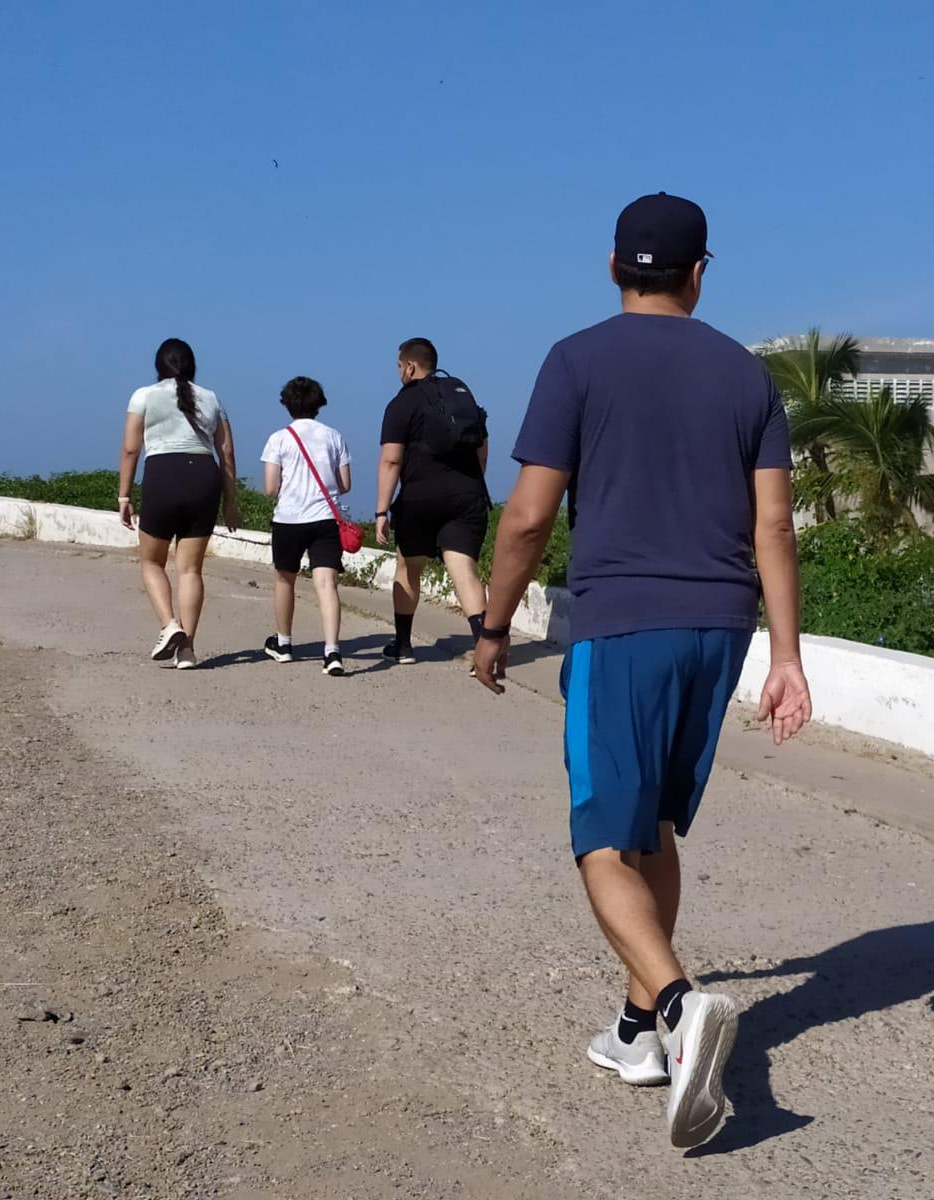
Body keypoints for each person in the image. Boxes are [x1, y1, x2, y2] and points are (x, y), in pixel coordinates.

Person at [471, 193, 813, 1149]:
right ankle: (636, 1034)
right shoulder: (746, 373)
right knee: (653, 827)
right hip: (721, 626)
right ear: (702, 270)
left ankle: (677, 1002)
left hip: (621, 625)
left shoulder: (576, 360)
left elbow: (529, 517)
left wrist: (492, 625)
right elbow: (774, 528)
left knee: (599, 839)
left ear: (613, 265)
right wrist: (786, 656)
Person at [118, 338, 240, 670]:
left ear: (159, 366)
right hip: (204, 477)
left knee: (152, 563)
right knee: (190, 569)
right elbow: (226, 453)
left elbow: (131, 449)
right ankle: (187, 651)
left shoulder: (143, 396)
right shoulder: (212, 398)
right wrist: (231, 503)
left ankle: (169, 625)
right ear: (192, 366)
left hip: (163, 474)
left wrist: (124, 496)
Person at [373, 338, 490, 665]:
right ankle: (483, 648)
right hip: (467, 495)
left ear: (410, 367)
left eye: (399, 366)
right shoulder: (461, 395)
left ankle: (403, 645)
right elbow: (481, 448)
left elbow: (391, 461)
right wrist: (471, 483)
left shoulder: (401, 404)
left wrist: (381, 510)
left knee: (408, 568)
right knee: (464, 569)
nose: (399, 372)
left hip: (420, 499)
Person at [259, 376, 353, 676]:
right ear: (319, 404)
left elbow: (271, 488)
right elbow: (345, 484)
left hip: (288, 519)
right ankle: (333, 652)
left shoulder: (279, 438)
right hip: (325, 518)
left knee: (285, 580)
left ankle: (284, 644)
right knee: (327, 584)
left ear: (287, 404)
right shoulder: (334, 436)